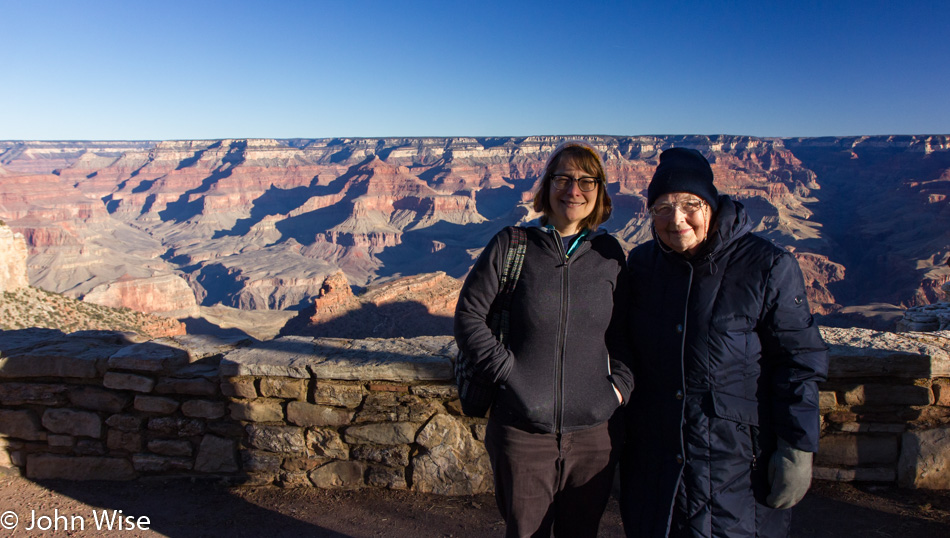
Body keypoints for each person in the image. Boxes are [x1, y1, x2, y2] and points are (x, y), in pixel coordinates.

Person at [620, 147, 829, 537]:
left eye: (689, 204)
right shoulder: (643, 265)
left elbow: (798, 360)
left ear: (711, 205)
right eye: (662, 208)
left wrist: (797, 448)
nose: (676, 219)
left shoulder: (767, 266)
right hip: (655, 463)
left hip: (734, 466)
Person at [454, 140, 634, 537]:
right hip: (522, 435)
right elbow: (469, 317)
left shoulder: (609, 254)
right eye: (564, 179)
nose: (574, 190)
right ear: (547, 186)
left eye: (587, 181)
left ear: (599, 192)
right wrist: (510, 375)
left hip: (594, 437)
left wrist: (618, 389)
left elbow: (624, 334)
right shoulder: (512, 245)